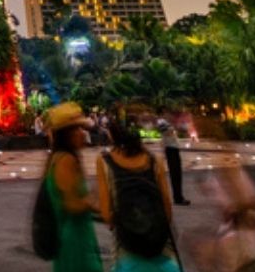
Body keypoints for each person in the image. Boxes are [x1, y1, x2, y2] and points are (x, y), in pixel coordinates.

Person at [96, 121, 179, 272]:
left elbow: (107, 215)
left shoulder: (104, 161)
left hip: (126, 246)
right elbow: (167, 209)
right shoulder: (154, 160)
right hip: (158, 246)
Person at [40, 103, 100, 272]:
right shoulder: (65, 160)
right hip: (74, 240)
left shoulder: (61, 158)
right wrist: (95, 198)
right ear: (66, 135)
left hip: (76, 236)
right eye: (77, 130)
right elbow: (72, 205)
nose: (82, 134)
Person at [160, 116, 188, 205]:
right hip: (170, 149)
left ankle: (179, 196)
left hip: (174, 148)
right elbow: (166, 132)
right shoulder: (162, 121)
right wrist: (174, 125)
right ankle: (178, 197)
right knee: (175, 173)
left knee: (177, 173)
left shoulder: (167, 122)